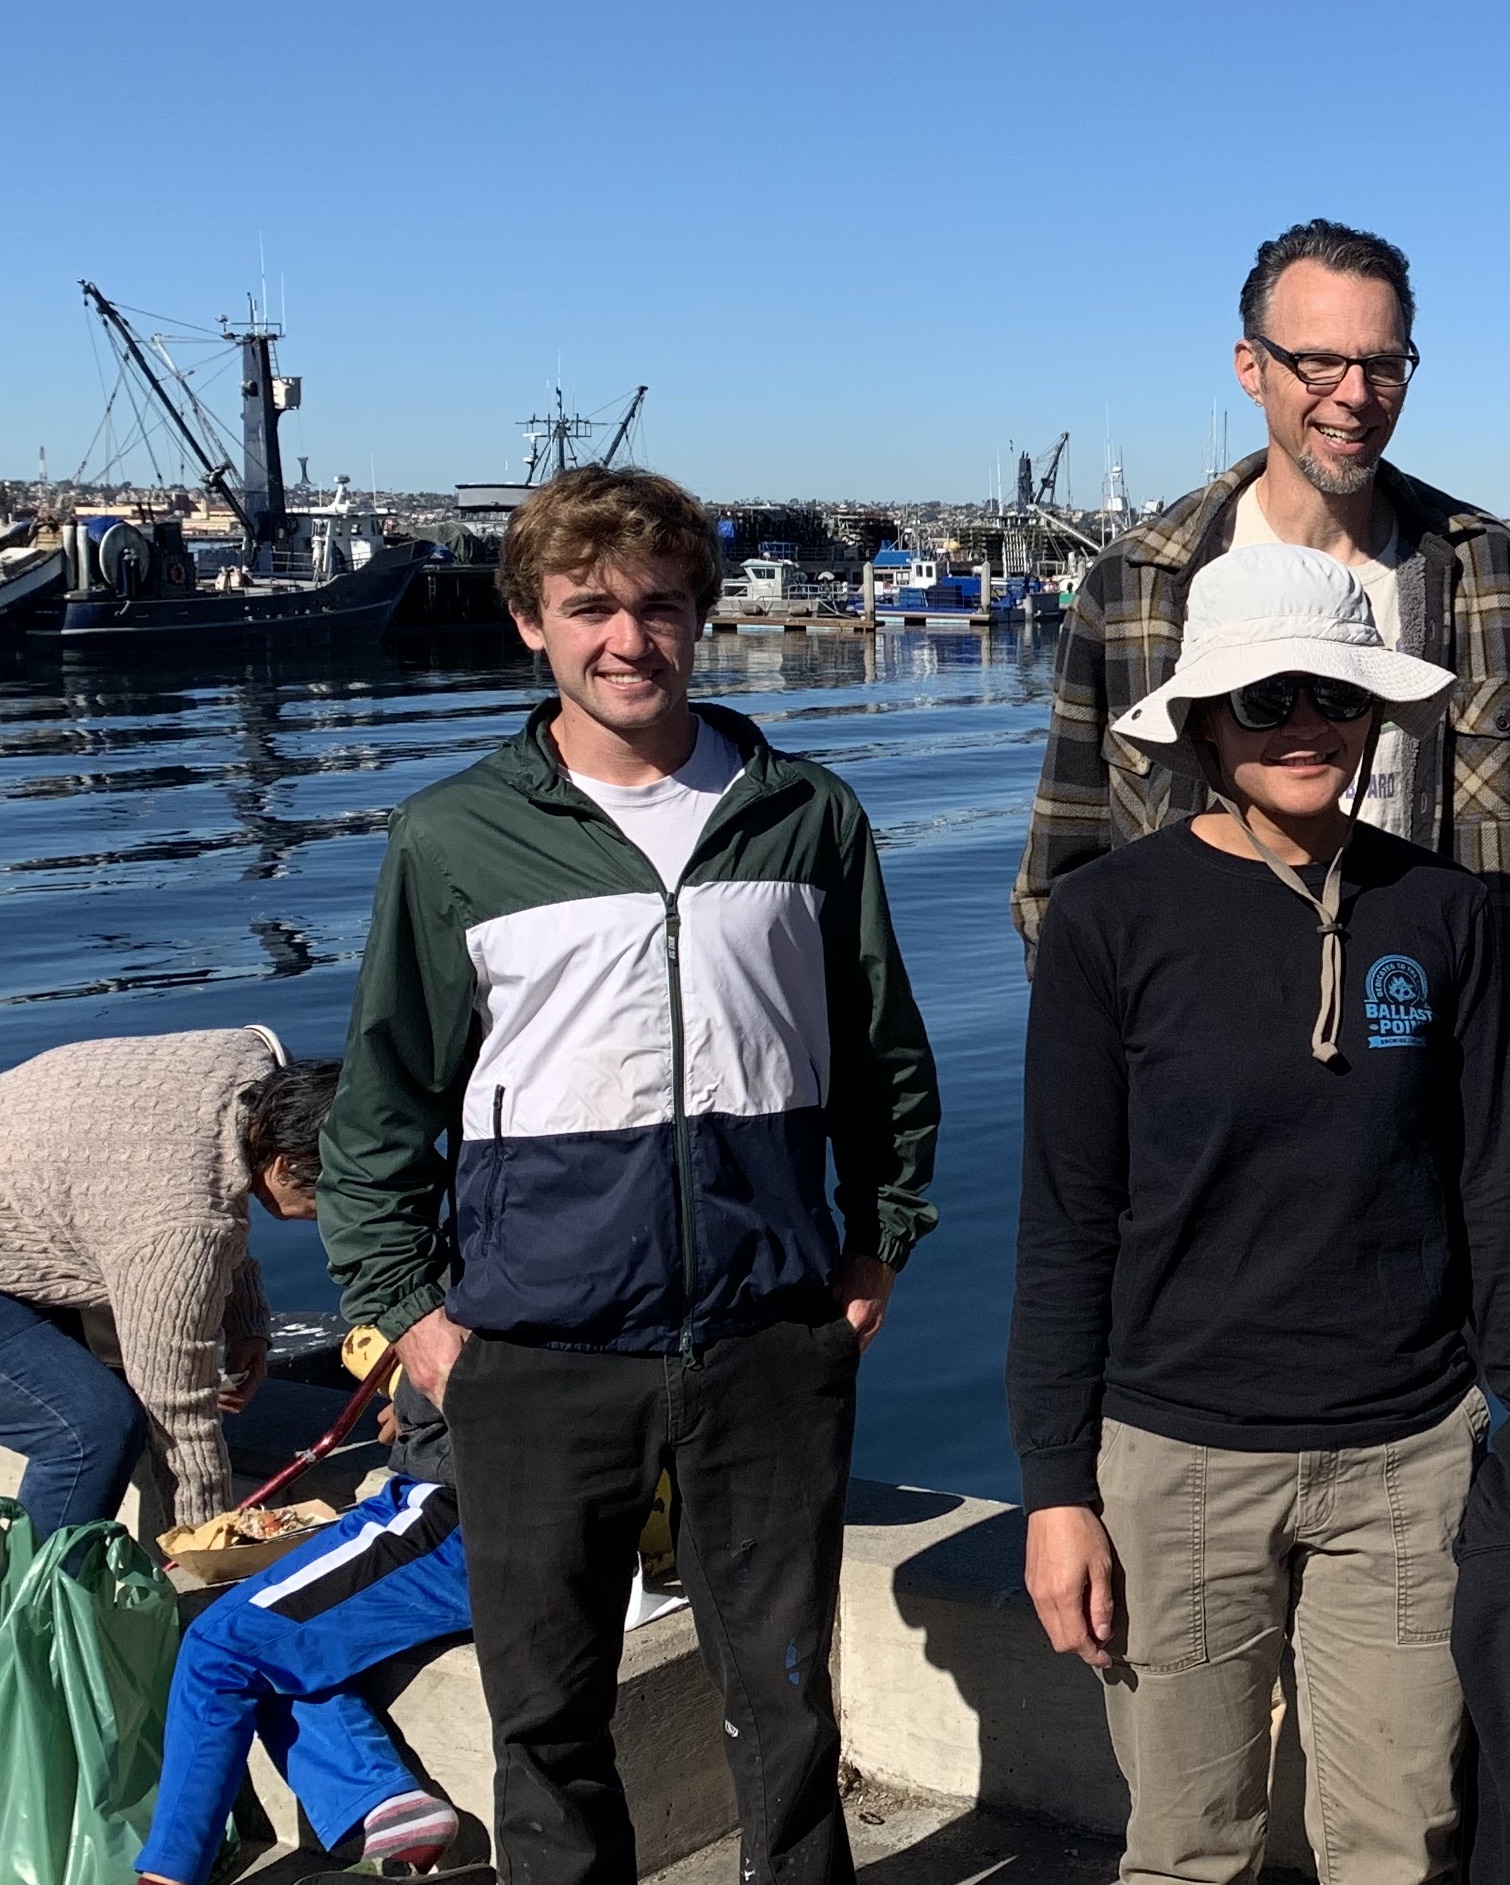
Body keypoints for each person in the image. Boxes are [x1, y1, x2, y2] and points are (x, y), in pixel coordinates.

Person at [318, 466, 942, 1885]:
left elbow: (882, 1059)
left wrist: (875, 1249)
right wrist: (416, 1319)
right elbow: (382, 1108)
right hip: (534, 1352)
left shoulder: (804, 817)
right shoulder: (452, 838)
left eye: (659, 605)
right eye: (587, 606)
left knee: (784, 1700)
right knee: (546, 1717)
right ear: (530, 623)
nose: (627, 639)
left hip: (771, 1339)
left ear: (701, 616)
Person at [1011, 543, 1510, 1885]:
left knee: (1400, 1840)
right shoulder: (1105, 920)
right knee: (1186, 1846)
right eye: (1264, 700)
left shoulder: (1453, 914)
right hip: (1174, 1458)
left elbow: (1489, 1182)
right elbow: (1065, 1218)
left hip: (1407, 1455)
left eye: (1336, 694)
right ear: (1203, 721)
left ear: (1376, 713)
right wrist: (1053, 1490)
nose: (1305, 725)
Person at [1011, 218, 1510, 1065]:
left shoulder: (1486, 574)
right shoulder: (1136, 586)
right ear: (1252, 369)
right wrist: (1136, 1076)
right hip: (1201, 1115)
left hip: (1435, 1113)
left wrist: (1497, 1057)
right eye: (1318, 360)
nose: (1353, 393)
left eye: (1383, 364)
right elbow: (1061, 880)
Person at [0, 1031, 330, 1538]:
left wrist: (248, 1324)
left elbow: (215, 1197)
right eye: (333, 1199)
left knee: (133, 1363)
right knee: (89, 1430)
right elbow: (177, 1410)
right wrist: (212, 1552)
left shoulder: (242, 1066)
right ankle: (36, 1625)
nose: (332, 1219)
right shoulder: (178, 1220)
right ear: (283, 1164)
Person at [137, 1336, 470, 1885]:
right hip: (452, 1483)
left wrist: (435, 1399)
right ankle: (388, 1806)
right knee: (265, 1640)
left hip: (453, 1511)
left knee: (220, 1649)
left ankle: (169, 1875)